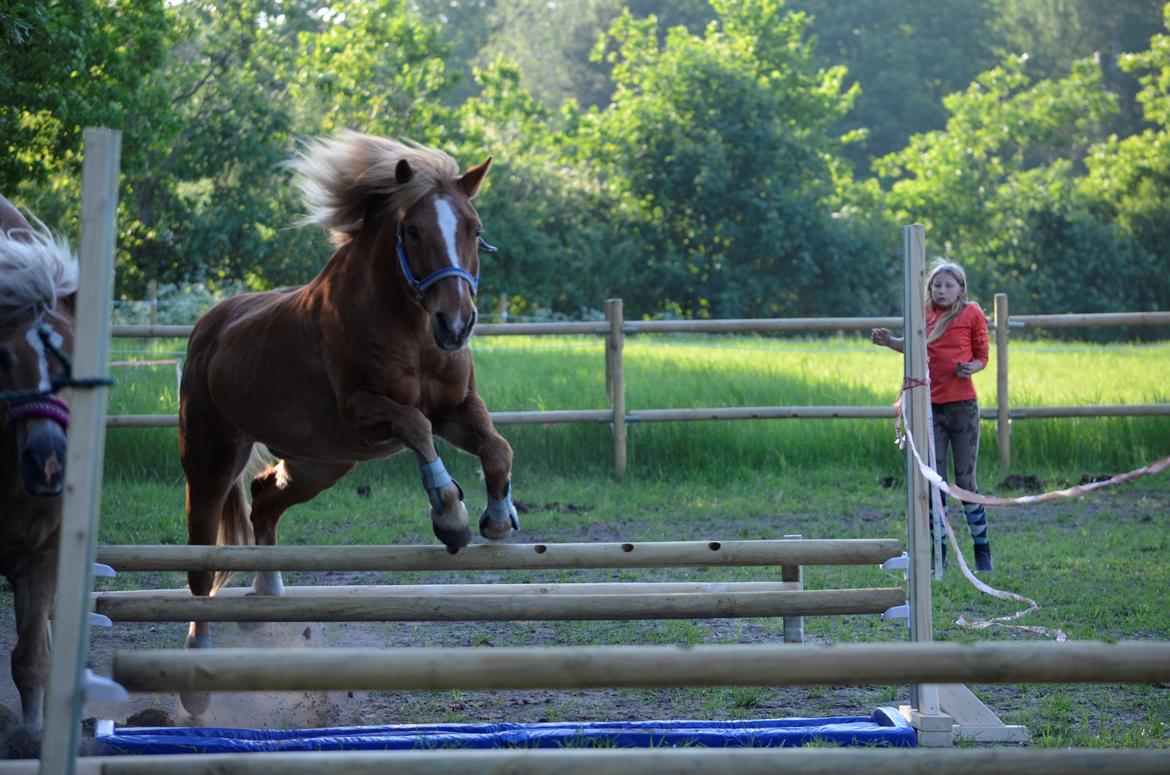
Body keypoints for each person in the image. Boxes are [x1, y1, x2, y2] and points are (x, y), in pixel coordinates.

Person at [870, 259, 993, 572]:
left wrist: (972, 367)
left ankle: (981, 549)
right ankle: (939, 553)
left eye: (948, 285)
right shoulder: (922, 313)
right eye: (937, 285)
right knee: (935, 480)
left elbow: (982, 355)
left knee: (965, 479)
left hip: (963, 407)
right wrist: (888, 342)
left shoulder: (972, 313)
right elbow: (912, 347)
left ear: (961, 289)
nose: (941, 290)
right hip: (929, 409)